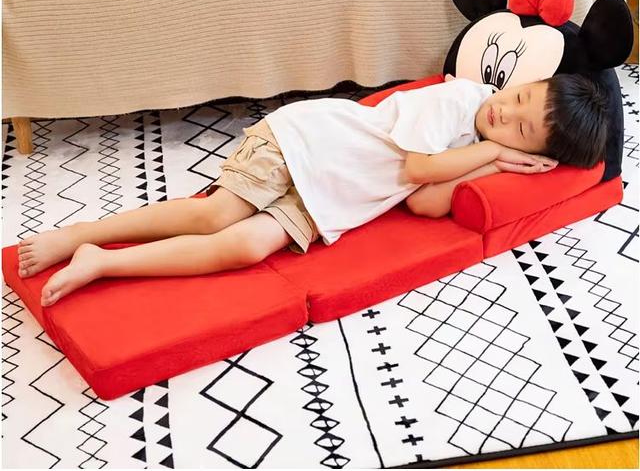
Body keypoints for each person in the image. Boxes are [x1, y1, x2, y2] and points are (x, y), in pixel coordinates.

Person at [17, 73, 607, 307]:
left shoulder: (482, 149)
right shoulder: (458, 99)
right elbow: (421, 169)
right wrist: (491, 152)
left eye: (520, 131)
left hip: (331, 199)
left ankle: (102, 262)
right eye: (519, 98)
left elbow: (426, 203)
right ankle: (83, 233)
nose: (506, 113)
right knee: (215, 215)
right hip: (306, 143)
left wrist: (492, 165)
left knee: (245, 247)